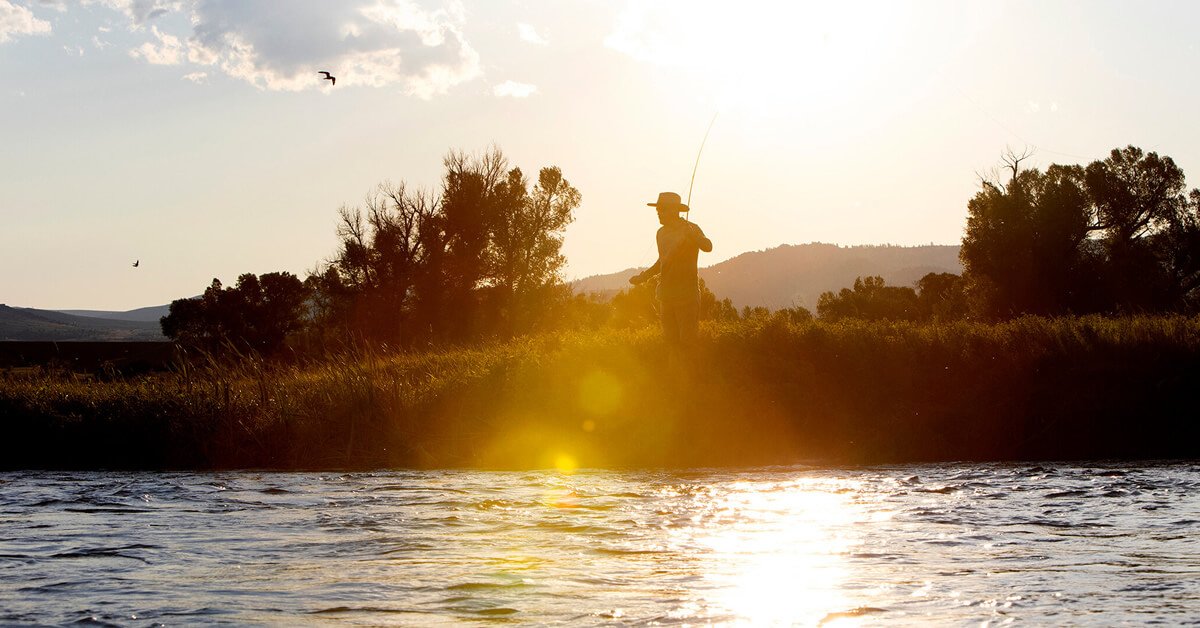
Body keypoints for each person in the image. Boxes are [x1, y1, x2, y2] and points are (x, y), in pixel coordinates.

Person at [630, 191, 713, 355]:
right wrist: (643, 277)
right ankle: (674, 378)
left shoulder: (692, 228)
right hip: (666, 297)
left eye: (662, 210)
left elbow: (708, 246)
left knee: (688, 344)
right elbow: (662, 262)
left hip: (687, 297)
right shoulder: (660, 233)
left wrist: (693, 236)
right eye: (658, 210)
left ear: (675, 210)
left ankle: (690, 379)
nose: (659, 213)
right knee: (671, 345)